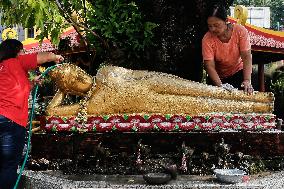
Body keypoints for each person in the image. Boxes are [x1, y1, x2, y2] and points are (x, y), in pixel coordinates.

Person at [46, 63, 273, 117]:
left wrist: (159, 76)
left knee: (199, 89)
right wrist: (62, 92)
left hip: (150, 81)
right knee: (204, 105)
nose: (80, 77)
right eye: (72, 81)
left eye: (76, 71)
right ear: (71, 90)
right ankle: (255, 107)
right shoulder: (88, 105)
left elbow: (135, 73)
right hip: (151, 102)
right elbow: (51, 113)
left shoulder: (105, 71)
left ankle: (258, 98)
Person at [0, 39, 64, 189]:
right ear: (16, 51)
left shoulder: (3, 67)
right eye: (22, 50)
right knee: (8, 165)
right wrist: (55, 57)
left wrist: (31, 83)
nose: (24, 53)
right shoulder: (16, 61)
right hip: (11, 121)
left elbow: (12, 89)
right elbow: (44, 57)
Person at [202, 5, 254, 94]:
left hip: (238, 72)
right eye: (210, 26)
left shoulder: (240, 31)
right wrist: (220, 85)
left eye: (216, 25)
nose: (213, 29)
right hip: (217, 77)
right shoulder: (207, 39)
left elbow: (246, 57)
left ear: (226, 21)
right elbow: (209, 65)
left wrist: (247, 81)